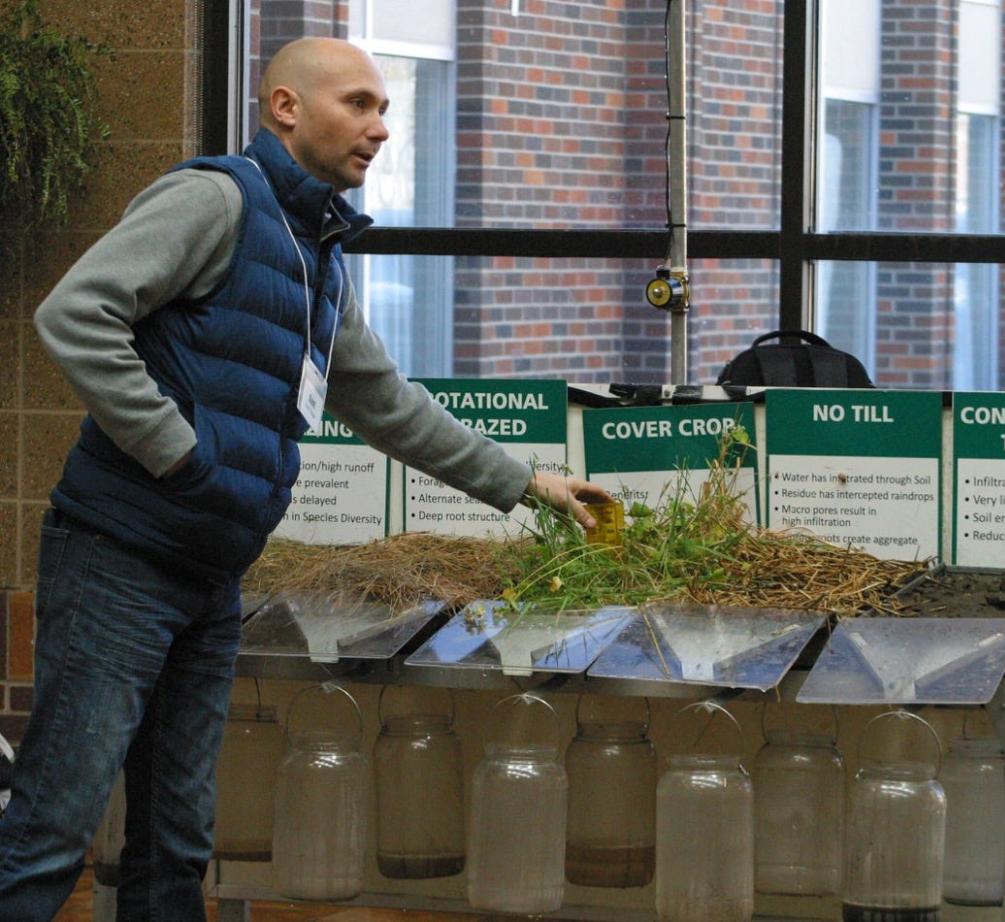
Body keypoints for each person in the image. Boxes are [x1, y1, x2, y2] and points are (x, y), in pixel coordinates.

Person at [0, 36, 609, 921]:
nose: (381, 128)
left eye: (386, 109)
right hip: (119, 563)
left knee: (176, 845)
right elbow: (76, 314)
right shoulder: (215, 200)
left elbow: (385, 404)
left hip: (207, 577)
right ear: (285, 108)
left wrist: (525, 484)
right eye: (359, 105)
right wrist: (180, 454)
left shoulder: (318, 252)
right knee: (54, 832)